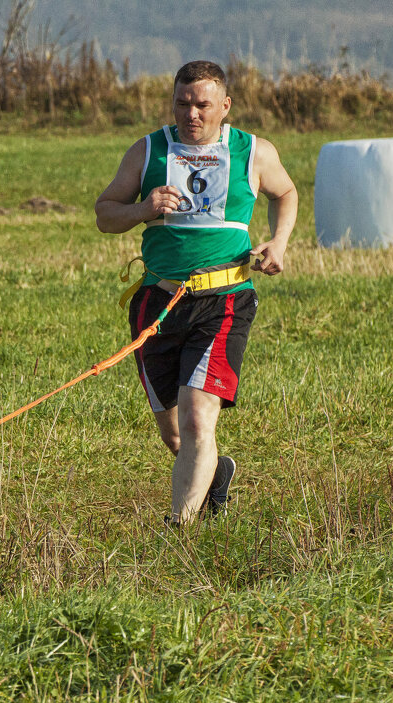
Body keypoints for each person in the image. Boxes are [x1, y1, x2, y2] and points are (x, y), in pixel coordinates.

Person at [94, 60, 297, 526]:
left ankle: (177, 531)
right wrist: (144, 208)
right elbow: (105, 214)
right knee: (175, 435)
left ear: (224, 106)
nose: (192, 114)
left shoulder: (254, 152)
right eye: (183, 104)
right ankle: (216, 472)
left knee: (196, 419)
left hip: (224, 300)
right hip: (158, 304)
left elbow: (285, 194)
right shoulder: (147, 151)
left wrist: (279, 241)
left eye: (203, 105)